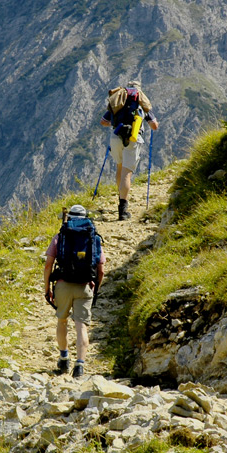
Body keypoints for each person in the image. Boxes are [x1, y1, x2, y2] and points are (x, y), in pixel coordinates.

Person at [43, 204, 105, 378]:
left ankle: (64, 359)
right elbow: (101, 269)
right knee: (81, 327)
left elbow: (48, 264)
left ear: (68, 218)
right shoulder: (94, 238)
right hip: (85, 286)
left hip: (63, 285)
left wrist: (47, 287)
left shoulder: (60, 236)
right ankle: (80, 366)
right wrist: (96, 287)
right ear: (86, 218)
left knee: (62, 321)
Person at [100, 79, 159, 220]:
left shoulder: (118, 100)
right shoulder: (141, 102)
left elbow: (103, 121)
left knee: (119, 168)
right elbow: (154, 126)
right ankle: (123, 210)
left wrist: (115, 123)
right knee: (127, 173)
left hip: (116, 136)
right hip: (133, 138)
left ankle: (120, 196)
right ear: (139, 90)